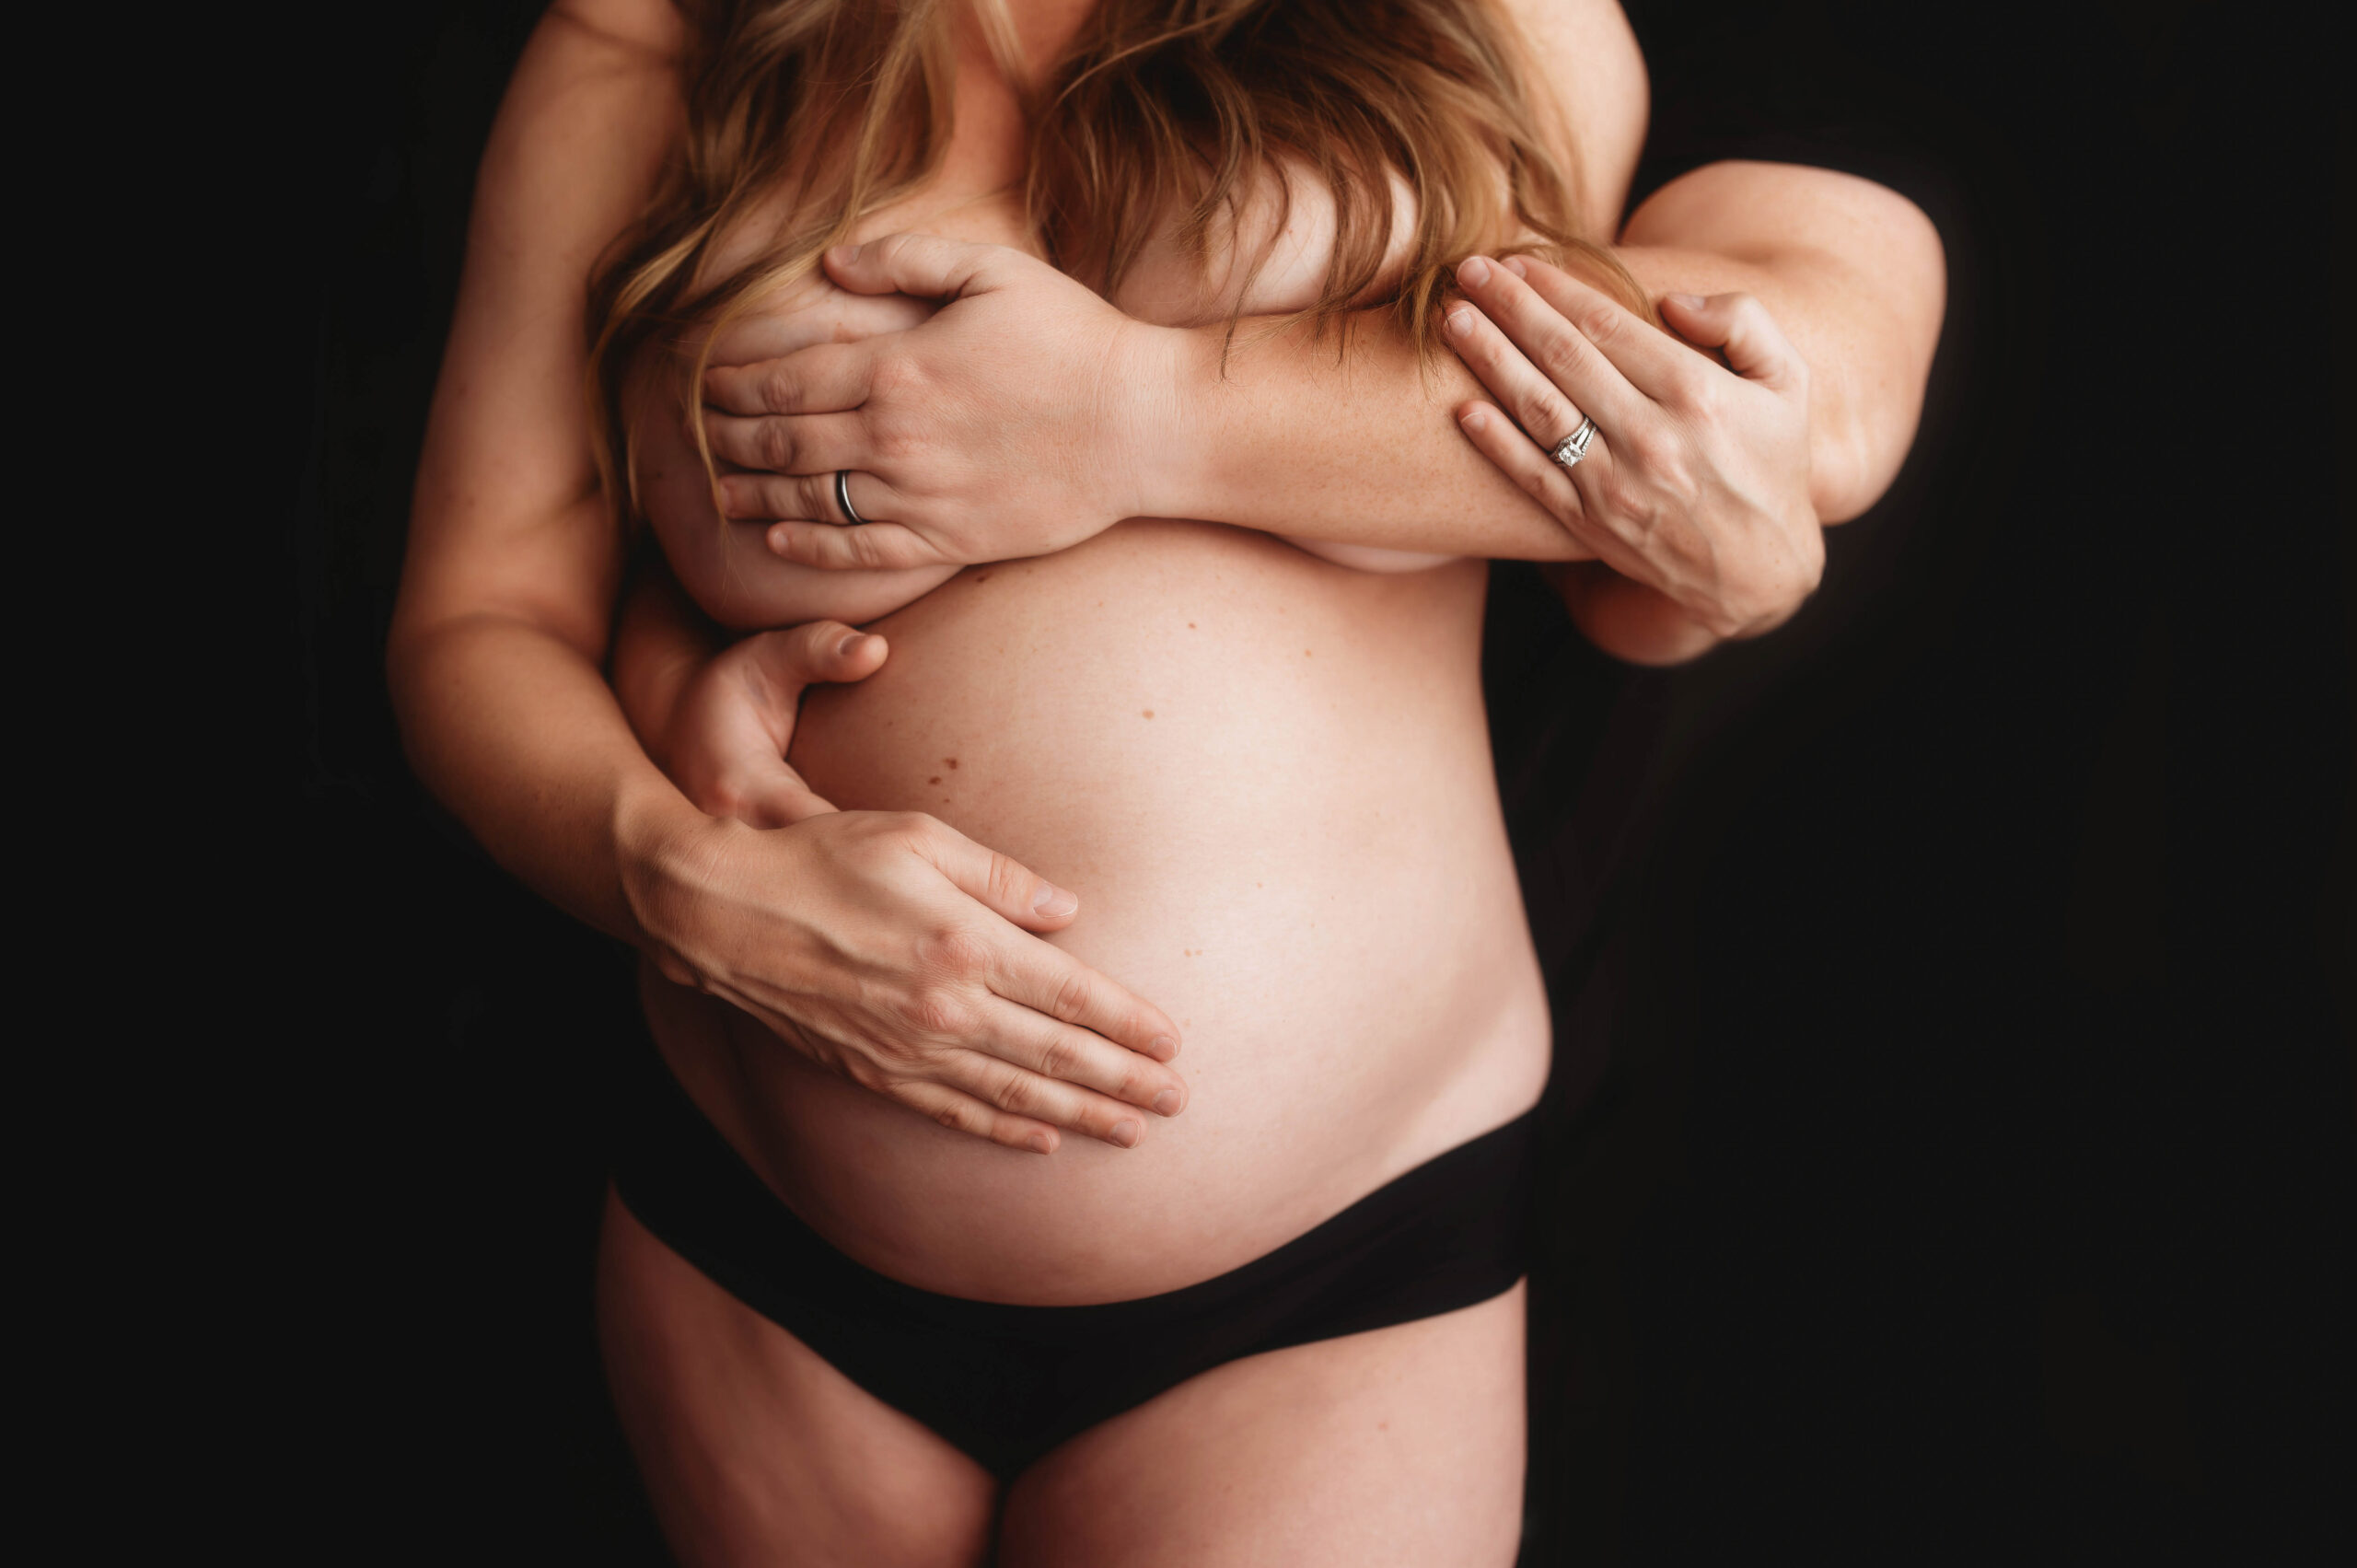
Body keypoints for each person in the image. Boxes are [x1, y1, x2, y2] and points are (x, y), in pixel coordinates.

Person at [386, 0, 1944, 1560]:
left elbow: (1647, 516)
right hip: (759, 1239)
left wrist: (1137, 418)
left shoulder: (1506, 18)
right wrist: (679, 876)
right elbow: (478, 615)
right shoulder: (661, 28)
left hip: (1324, 1277)